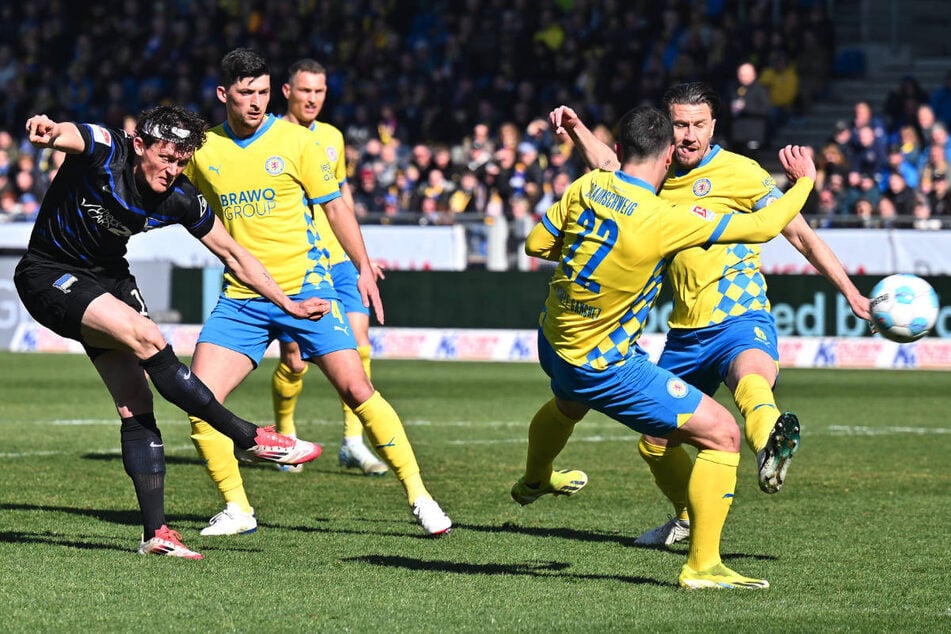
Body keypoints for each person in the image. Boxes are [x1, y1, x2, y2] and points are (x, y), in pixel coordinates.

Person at [550, 82, 870, 548]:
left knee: (751, 379)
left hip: (740, 315)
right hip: (684, 333)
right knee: (654, 443)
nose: (690, 135)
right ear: (665, 128)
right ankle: (685, 517)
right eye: (680, 124)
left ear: (714, 126)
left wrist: (850, 293)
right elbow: (607, 165)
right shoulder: (651, 174)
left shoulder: (739, 172)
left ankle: (768, 448)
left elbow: (798, 234)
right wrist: (577, 128)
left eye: (700, 124)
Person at [512, 104, 818, 589]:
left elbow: (535, 244)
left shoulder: (586, 187)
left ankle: (533, 480)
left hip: (554, 343)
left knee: (567, 404)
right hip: (604, 364)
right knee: (722, 434)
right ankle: (703, 566)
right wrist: (803, 182)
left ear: (617, 151)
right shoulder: (666, 218)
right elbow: (762, 228)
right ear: (670, 153)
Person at [13, 105, 325, 559]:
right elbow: (68, 135)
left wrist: (289, 304)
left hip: (108, 280)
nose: (173, 169)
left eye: (183, 160)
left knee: (136, 406)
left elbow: (234, 256)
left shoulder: (181, 196)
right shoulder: (106, 149)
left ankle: (155, 532)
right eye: (167, 157)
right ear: (140, 145)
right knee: (150, 338)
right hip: (48, 274)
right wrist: (47, 132)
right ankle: (250, 438)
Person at [183, 48, 451, 537]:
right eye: (247, 93)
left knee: (357, 388)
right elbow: (165, 186)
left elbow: (336, 208)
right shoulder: (205, 149)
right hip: (242, 296)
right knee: (199, 400)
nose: (257, 102)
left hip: (308, 288)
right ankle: (238, 508)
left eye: (263, 92)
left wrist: (363, 265)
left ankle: (420, 496)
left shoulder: (297, 142)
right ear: (224, 94)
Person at [270, 58, 388, 477]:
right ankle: (285, 436)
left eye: (319, 92)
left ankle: (352, 443)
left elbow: (342, 201)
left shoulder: (333, 138)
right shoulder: (271, 136)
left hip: (337, 260)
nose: (313, 99)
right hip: (296, 263)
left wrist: (363, 258)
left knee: (359, 345)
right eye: (305, 91)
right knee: (296, 360)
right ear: (287, 91)